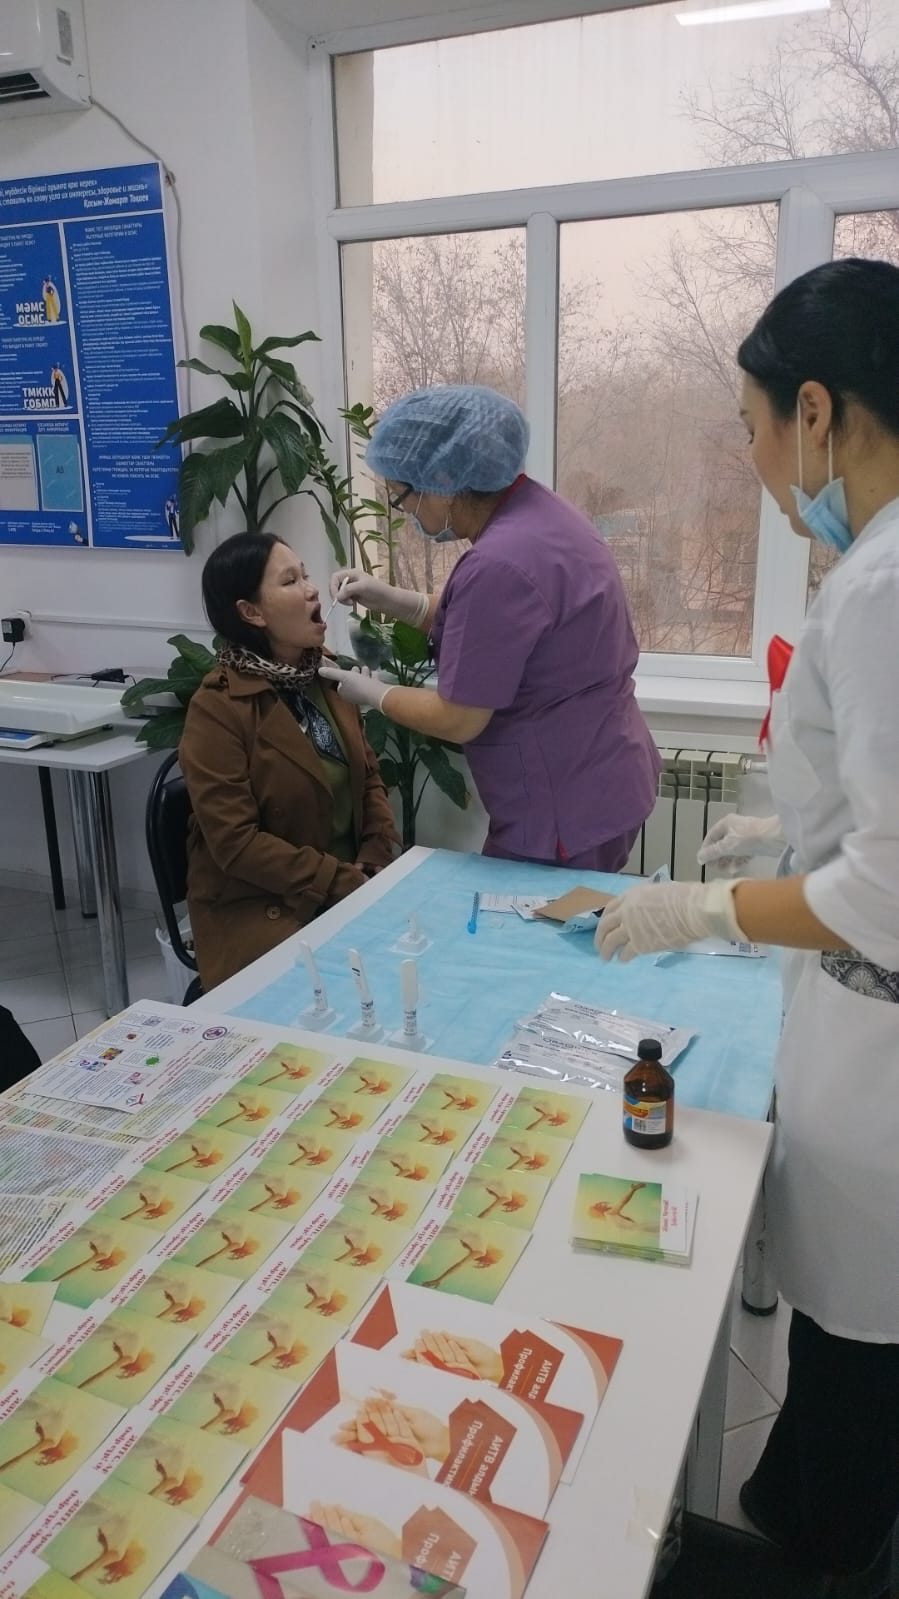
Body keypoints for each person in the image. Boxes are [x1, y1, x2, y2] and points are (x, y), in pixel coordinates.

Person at [597, 258, 899, 1595]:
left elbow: (889, 887)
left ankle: (809, 1556)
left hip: (878, 1053)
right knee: (850, 1365)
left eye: (749, 423)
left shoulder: (881, 585)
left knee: (860, 1358)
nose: (755, 457)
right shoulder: (872, 570)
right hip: (857, 1020)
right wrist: (786, 838)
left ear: (814, 410)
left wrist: (699, 903)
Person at [320, 385, 660, 871]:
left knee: (531, 918)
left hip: (561, 806)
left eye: (403, 497)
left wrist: (374, 693)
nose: (406, 511)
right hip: (605, 776)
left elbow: (460, 717)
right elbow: (501, 630)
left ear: (442, 480)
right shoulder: (544, 515)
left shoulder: (499, 563)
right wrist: (392, 599)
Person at [179, 532, 397, 990]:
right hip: (267, 907)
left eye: (306, 575)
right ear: (251, 613)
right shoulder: (218, 708)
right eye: (290, 580)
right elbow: (236, 844)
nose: (313, 590)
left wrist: (375, 855)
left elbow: (369, 779)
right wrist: (338, 880)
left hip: (350, 889)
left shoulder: (327, 675)